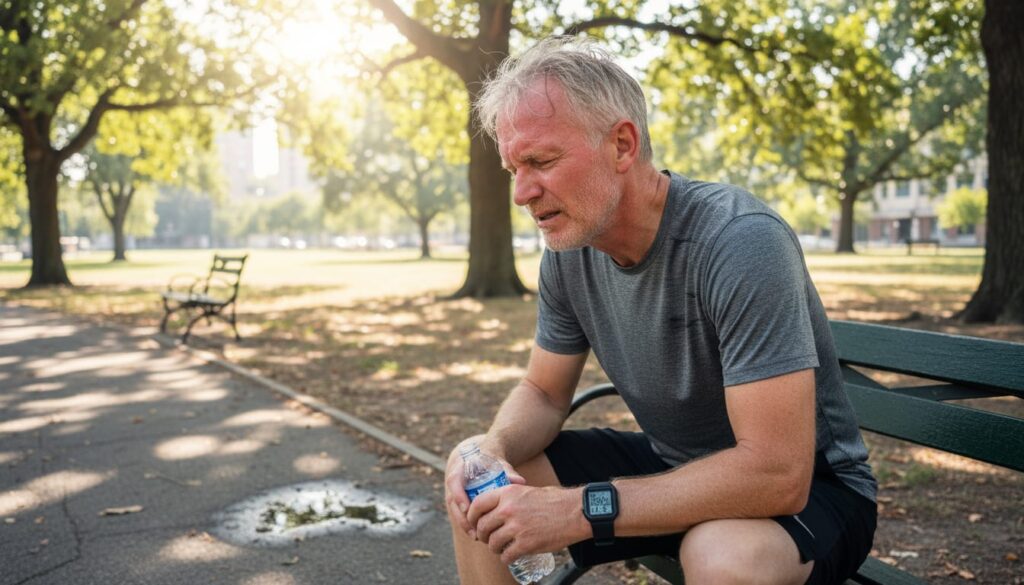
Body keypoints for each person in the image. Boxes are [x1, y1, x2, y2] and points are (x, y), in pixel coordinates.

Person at [445, 37, 877, 585]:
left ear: (622, 145)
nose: (522, 193)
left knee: (722, 555)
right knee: (478, 488)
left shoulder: (738, 241)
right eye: (513, 168)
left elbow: (777, 474)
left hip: (812, 491)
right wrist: (492, 450)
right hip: (675, 467)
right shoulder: (569, 248)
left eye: (542, 161)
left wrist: (580, 508)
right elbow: (544, 392)